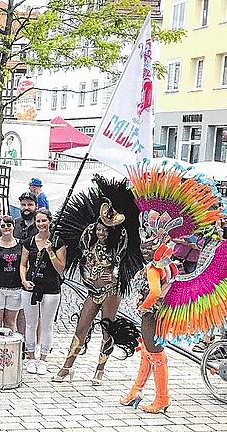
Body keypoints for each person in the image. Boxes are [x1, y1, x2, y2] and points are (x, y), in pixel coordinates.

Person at [120, 162, 227, 414]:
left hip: (153, 312)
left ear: (160, 242)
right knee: (147, 350)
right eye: (144, 245)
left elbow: (156, 292)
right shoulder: (165, 262)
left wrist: (143, 306)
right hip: (152, 312)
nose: (145, 248)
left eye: (149, 245)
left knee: (154, 352)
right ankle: (135, 392)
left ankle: (162, 398)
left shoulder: (157, 266)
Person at [53, 180, 141, 384]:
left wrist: (115, 277)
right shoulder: (88, 240)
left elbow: (122, 264)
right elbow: (84, 259)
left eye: (105, 231)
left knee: (106, 330)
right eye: (99, 230)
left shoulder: (118, 246)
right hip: (93, 292)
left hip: (111, 292)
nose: (100, 233)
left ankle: (100, 370)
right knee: (81, 326)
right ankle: (67, 367)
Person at [19, 208, 66, 375]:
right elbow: (23, 263)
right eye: (38, 221)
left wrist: (50, 252)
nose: (41, 224)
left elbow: (60, 268)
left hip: (51, 288)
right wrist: (24, 280)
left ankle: (43, 358)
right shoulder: (29, 242)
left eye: (44, 221)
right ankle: (31, 357)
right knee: (31, 324)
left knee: (47, 324)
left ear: (50, 222)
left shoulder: (58, 242)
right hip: (31, 287)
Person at [0, 215, 23, 330]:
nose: (6, 228)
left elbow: (24, 265)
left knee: (10, 323)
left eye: (8, 225)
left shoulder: (21, 244)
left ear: (13, 226)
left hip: (15, 289)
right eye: (3, 226)